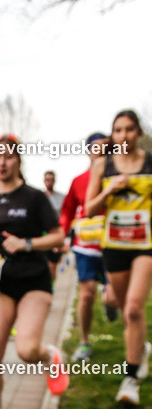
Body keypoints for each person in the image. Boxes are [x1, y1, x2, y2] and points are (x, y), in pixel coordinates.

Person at [0, 135, 69, 409]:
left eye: (8, 157)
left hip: (34, 281)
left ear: (18, 161)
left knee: (26, 351)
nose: (1, 162)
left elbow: (58, 236)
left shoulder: (35, 198)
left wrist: (27, 244)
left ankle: (50, 355)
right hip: (1, 285)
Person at [85, 109, 152, 405]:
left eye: (129, 129)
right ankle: (141, 349)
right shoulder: (103, 165)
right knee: (125, 311)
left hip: (145, 245)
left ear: (138, 132)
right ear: (113, 135)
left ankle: (130, 379)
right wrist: (110, 188)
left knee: (135, 309)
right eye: (118, 131)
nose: (124, 136)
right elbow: (88, 209)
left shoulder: (149, 162)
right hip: (114, 245)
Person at [60, 132, 118, 362]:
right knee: (86, 295)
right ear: (88, 150)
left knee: (113, 298)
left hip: (112, 246)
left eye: (106, 147)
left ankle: (110, 303)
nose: (101, 151)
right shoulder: (78, 181)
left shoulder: (118, 178)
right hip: (85, 247)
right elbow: (67, 211)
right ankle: (84, 343)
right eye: (96, 147)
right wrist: (63, 236)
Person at [44, 170, 66, 281]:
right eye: (47, 180)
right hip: (42, 235)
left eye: (51, 180)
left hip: (56, 233)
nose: (49, 182)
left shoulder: (61, 198)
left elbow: (65, 217)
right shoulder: (40, 197)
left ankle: (50, 286)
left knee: (53, 265)